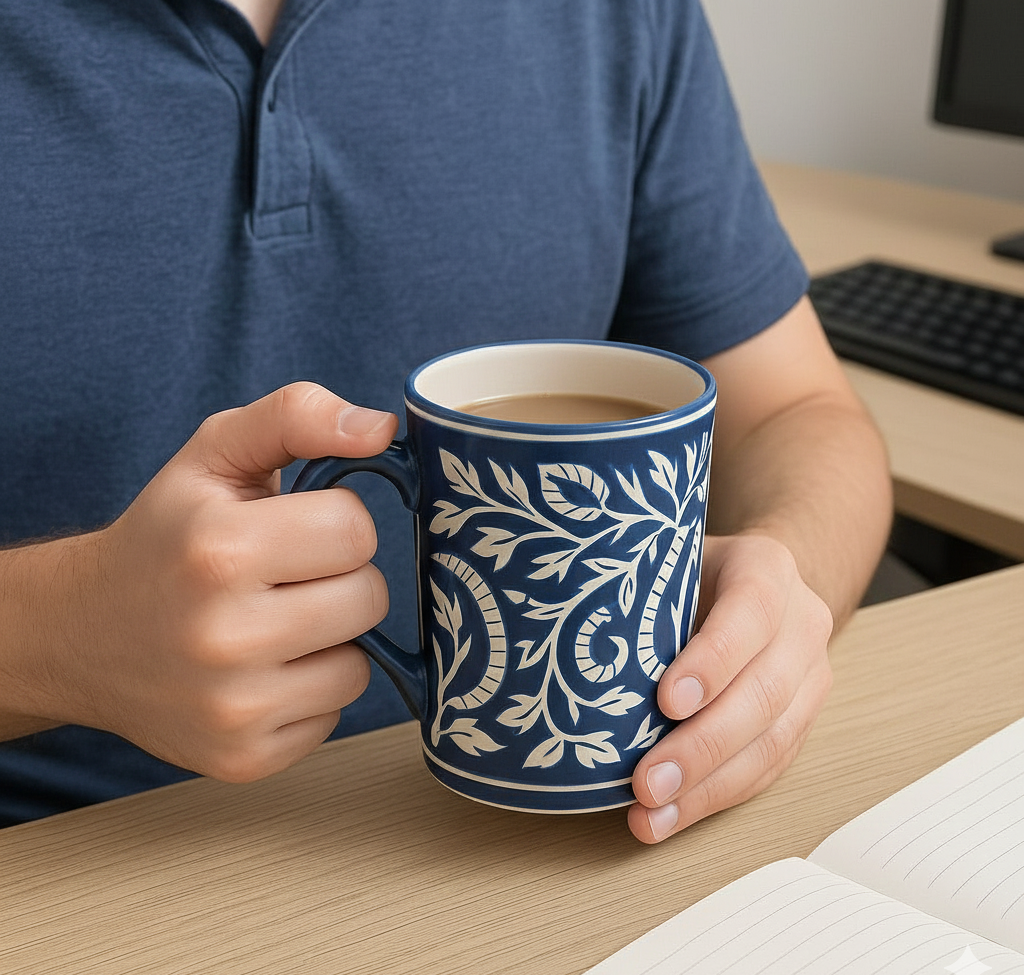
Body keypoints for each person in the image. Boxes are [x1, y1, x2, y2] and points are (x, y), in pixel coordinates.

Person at [0, 0, 891, 841]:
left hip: (558, 846)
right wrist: (59, 636)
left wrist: (783, 589)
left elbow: (797, 412)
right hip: (68, 869)